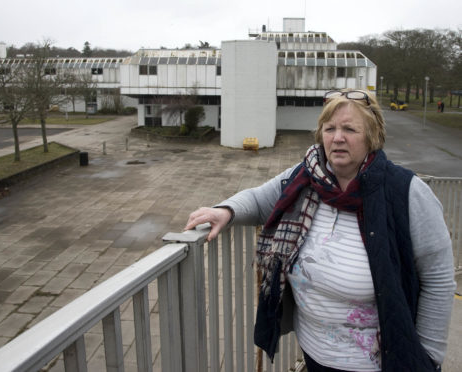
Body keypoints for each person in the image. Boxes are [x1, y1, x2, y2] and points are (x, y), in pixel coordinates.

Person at [185, 89, 455, 372]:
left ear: (372, 136)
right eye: (330, 128)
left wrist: (429, 356)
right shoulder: (304, 178)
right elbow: (257, 199)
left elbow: (438, 276)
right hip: (315, 354)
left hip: (378, 363)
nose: (338, 137)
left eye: (350, 129)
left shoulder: (407, 192)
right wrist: (225, 211)